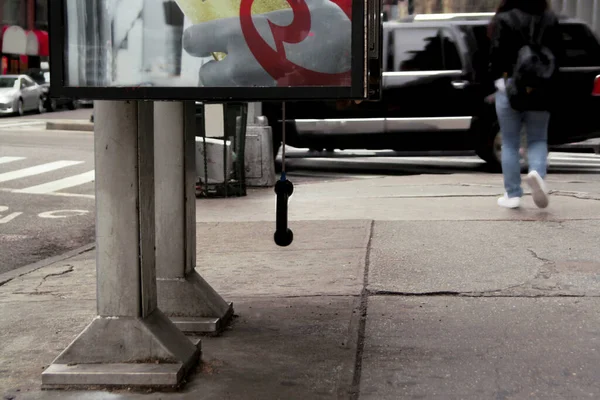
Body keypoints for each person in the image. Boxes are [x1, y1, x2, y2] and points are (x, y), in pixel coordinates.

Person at [488, 0, 563, 209]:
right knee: (538, 139)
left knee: (510, 143)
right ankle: (537, 175)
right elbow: (559, 53)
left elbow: (496, 54)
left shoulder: (504, 19)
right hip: (541, 87)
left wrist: (499, 81)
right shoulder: (550, 18)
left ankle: (512, 194)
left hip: (510, 86)